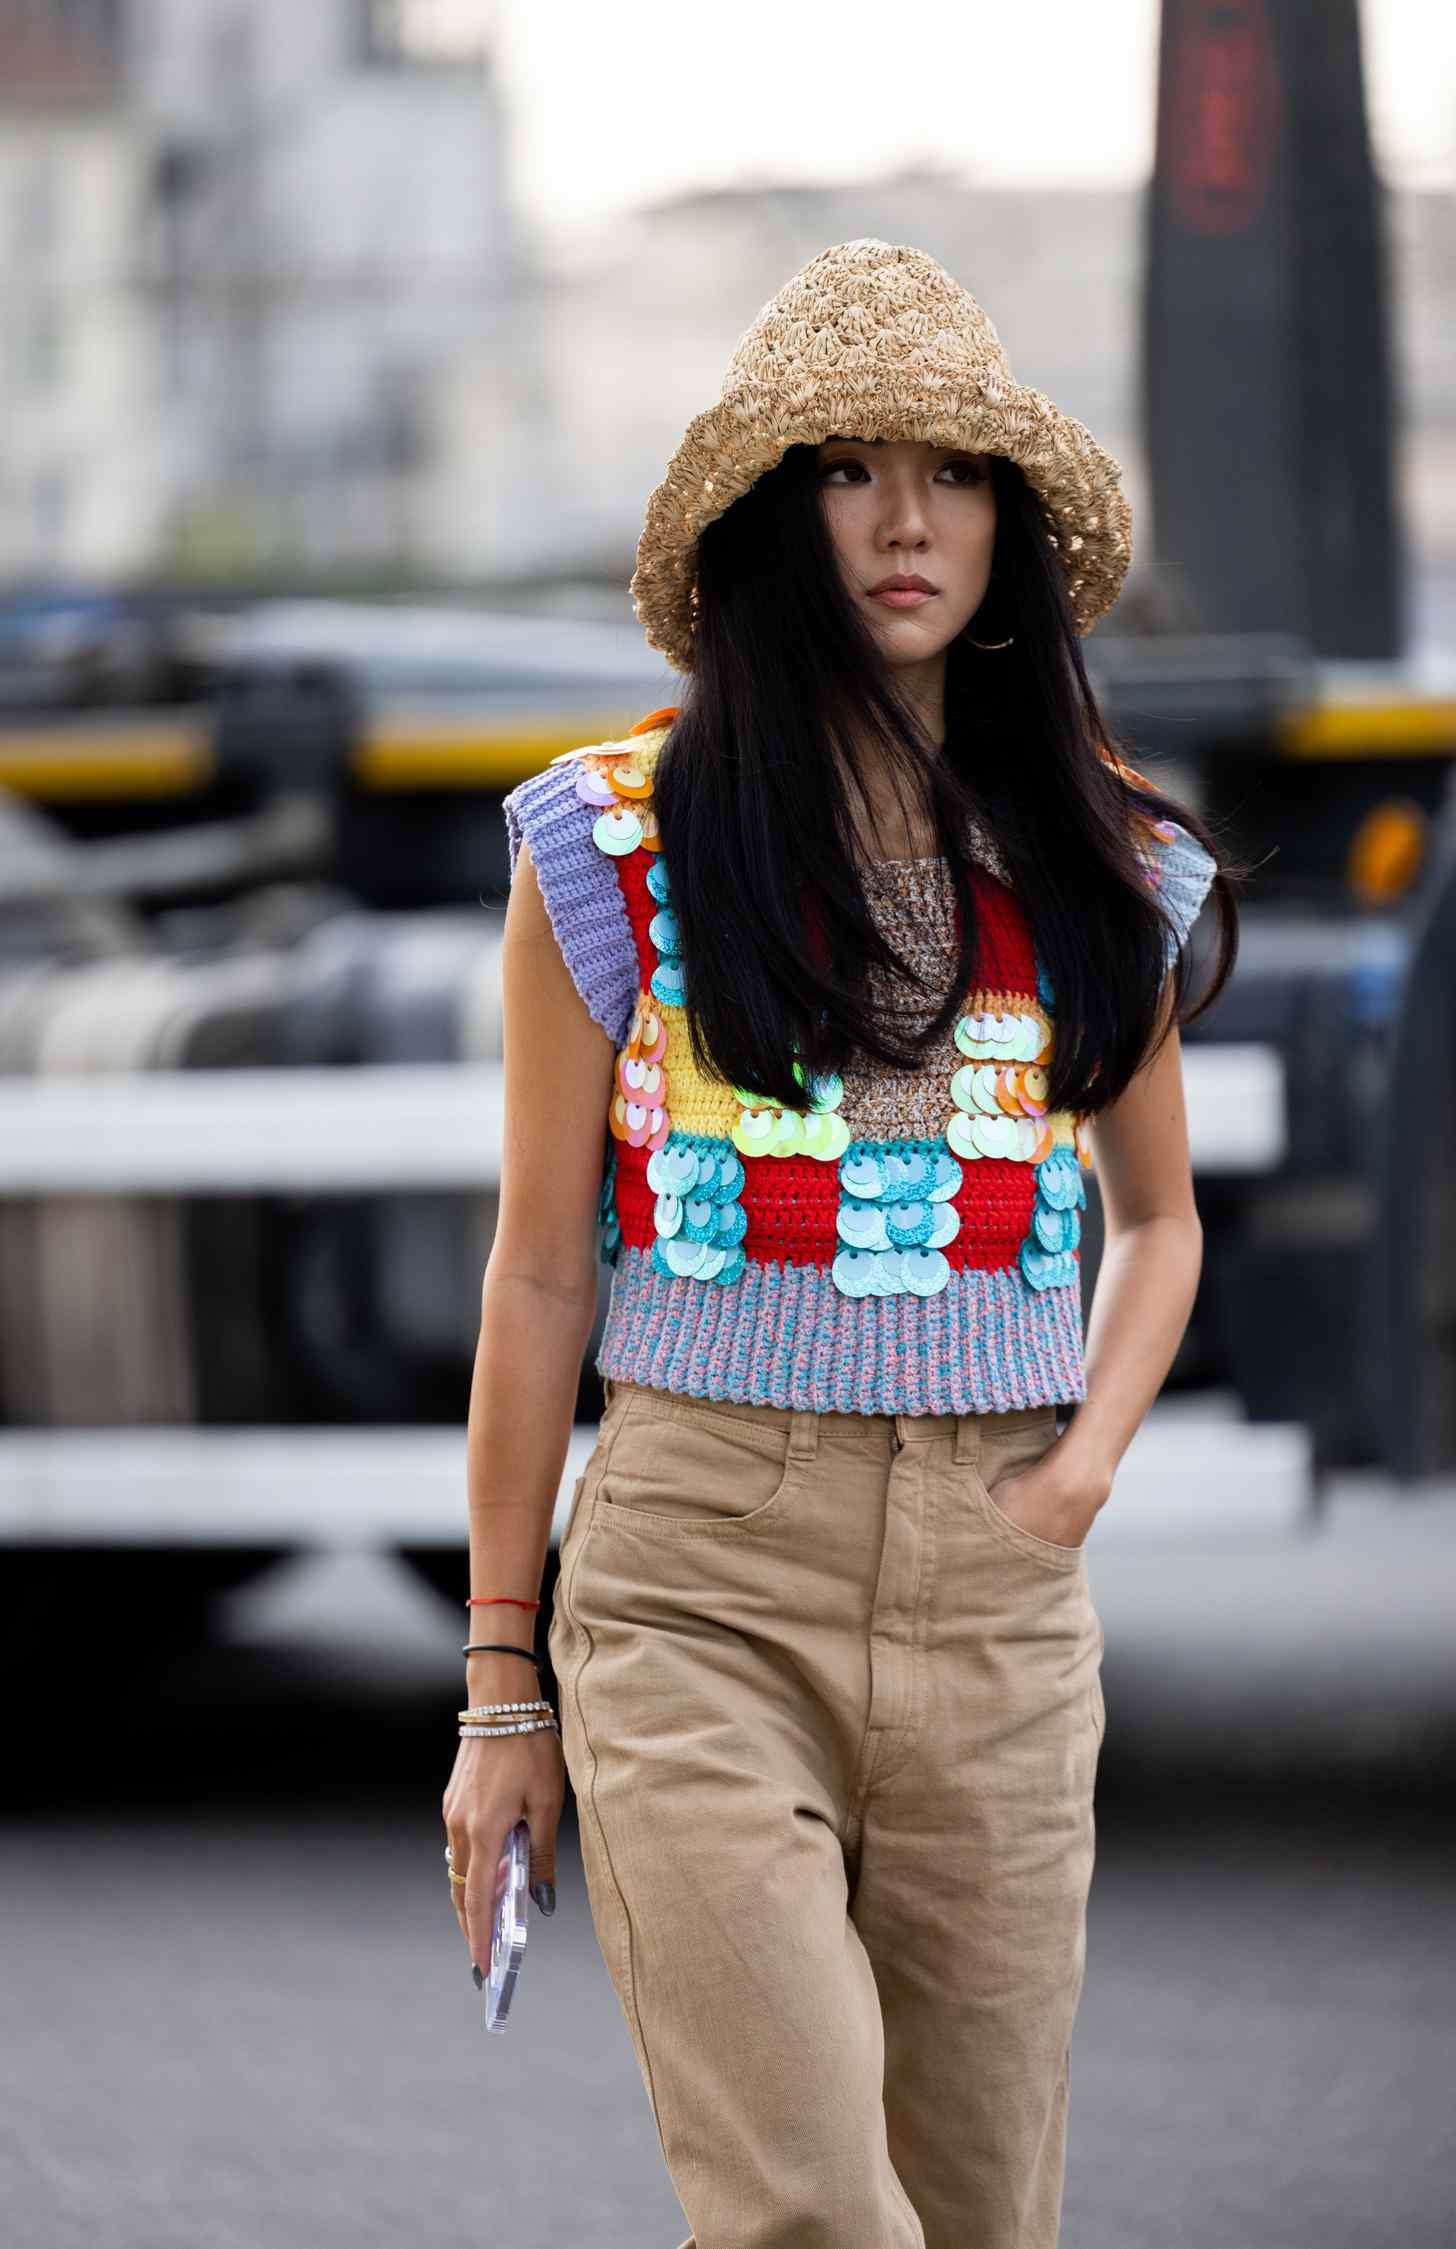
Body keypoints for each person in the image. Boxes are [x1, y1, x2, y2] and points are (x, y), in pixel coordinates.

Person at [443, 238, 1238, 2249]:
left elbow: (1159, 1225)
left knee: (981, 2222)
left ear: (1008, 526)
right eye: (849, 468)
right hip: (696, 1583)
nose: (906, 518)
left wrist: (1076, 1474)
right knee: (815, 2219)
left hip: (999, 1600)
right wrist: (501, 1688)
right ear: (768, 516)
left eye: (955, 473)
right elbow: (543, 1269)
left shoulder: (1101, 857)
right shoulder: (608, 845)